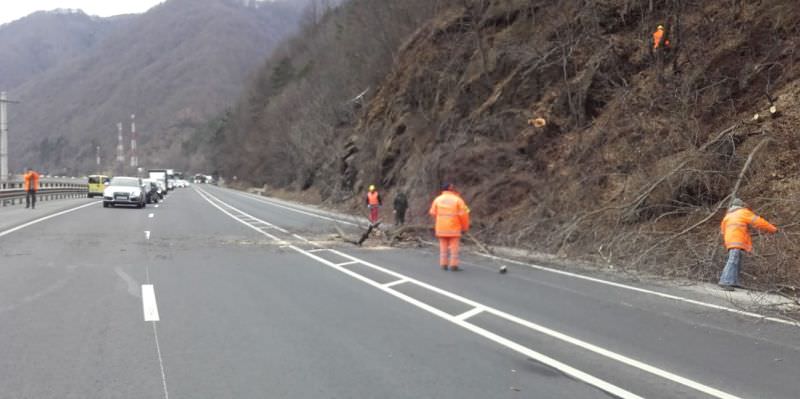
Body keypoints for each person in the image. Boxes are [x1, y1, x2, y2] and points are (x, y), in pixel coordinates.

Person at [718, 198, 777, 291]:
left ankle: (733, 281)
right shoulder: (743, 212)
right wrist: (773, 229)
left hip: (730, 241)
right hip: (737, 240)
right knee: (733, 261)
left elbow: (722, 231)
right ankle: (726, 282)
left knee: (735, 261)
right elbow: (759, 222)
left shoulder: (728, 216)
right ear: (741, 206)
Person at [429, 183, 470, 271]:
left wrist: (440, 219)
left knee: (443, 247)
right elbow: (464, 215)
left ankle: (443, 264)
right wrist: (465, 227)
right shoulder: (458, 200)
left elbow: (432, 212)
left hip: (441, 228)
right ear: (451, 189)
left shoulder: (437, 199)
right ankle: (453, 265)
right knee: (454, 248)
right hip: (454, 228)